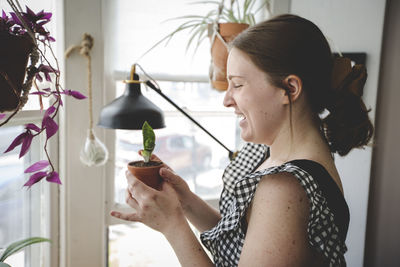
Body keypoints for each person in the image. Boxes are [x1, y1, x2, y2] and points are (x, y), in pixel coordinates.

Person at [111, 14, 373, 267]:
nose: (226, 100)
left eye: (237, 85)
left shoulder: (285, 187)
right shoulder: (273, 155)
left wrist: (172, 226)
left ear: (289, 89)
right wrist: (185, 200)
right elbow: (243, 239)